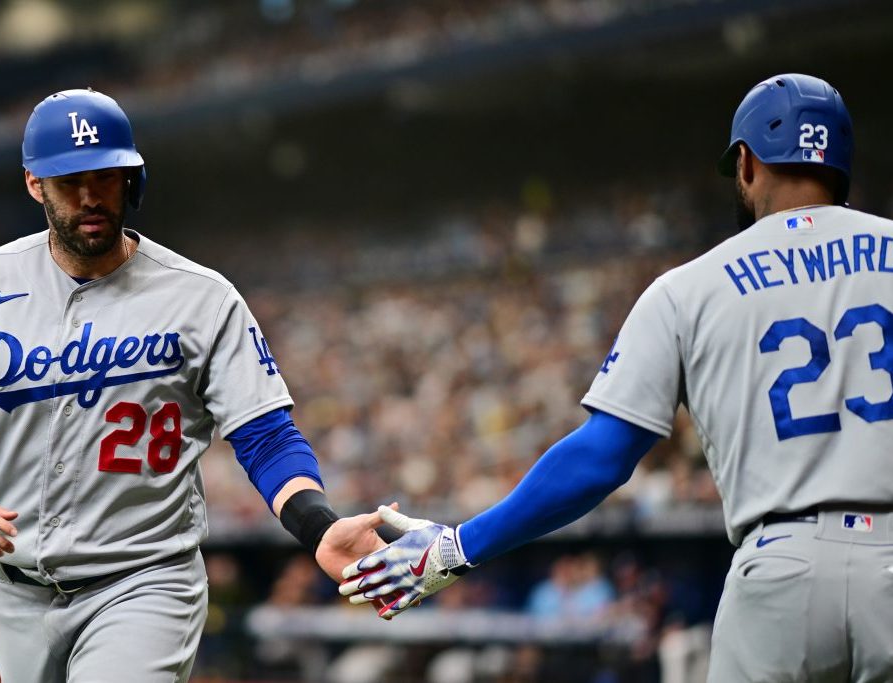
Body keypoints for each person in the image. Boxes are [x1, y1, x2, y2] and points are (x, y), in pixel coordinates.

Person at [341, 73, 893, 681]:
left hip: (780, 571)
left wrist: (456, 547)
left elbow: (599, 458)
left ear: (747, 162)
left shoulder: (690, 286)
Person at [0, 88, 390, 682]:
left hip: (146, 584)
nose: (90, 197)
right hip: (19, 592)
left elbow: (266, 436)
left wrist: (316, 523)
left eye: (105, 178)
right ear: (35, 184)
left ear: (132, 177)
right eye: (69, 181)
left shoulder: (201, 298)